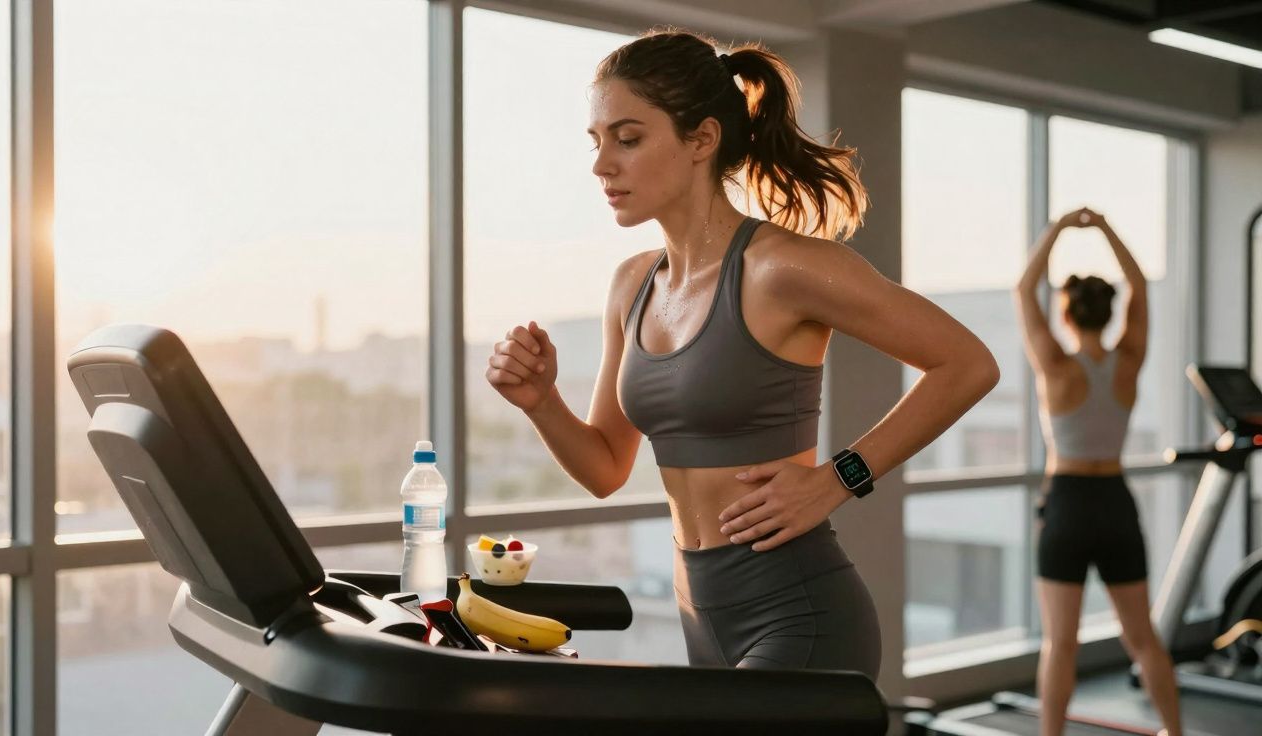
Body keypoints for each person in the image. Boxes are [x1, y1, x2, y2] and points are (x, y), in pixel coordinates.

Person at [485, 29, 999, 676]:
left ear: (701, 139)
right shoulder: (631, 285)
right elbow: (605, 469)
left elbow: (968, 364)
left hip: (799, 613)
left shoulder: (781, 269)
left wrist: (840, 479)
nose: (601, 165)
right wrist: (540, 402)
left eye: (629, 137)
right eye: (596, 142)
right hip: (700, 618)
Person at [1015, 207, 1182, 736]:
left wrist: (1061, 229)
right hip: (1114, 500)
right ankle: (1175, 733)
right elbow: (1138, 283)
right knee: (1143, 637)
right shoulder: (1128, 360)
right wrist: (1106, 228)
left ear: (1066, 314)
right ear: (1108, 313)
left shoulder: (1057, 367)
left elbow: (1023, 289)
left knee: (1059, 642)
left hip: (1066, 503)